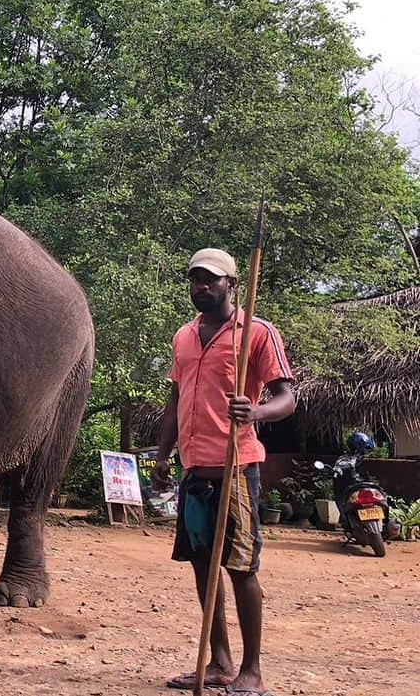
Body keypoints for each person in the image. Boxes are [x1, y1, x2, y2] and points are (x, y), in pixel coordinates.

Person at [152, 247, 295, 696]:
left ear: (232, 284)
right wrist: (162, 456)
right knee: (201, 564)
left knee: (240, 568)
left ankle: (251, 670)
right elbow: (176, 400)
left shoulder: (256, 332)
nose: (202, 286)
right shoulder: (183, 336)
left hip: (236, 467)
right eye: (195, 278)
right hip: (194, 468)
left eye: (211, 279)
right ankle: (218, 661)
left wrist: (255, 412)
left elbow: (286, 397)